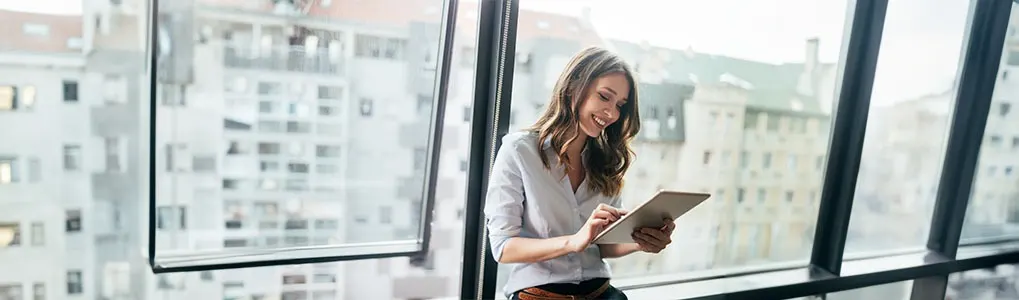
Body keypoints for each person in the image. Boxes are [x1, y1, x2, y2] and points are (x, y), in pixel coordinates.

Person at [484, 46, 677, 300]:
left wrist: (641, 242)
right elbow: (503, 247)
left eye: (620, 105)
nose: (612, 113)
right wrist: (573, 241)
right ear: (575, 86)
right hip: (539, 295)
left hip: (602, 293)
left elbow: (602, 245)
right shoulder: (519, 151)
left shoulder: (606, 161)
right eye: (604, 96)